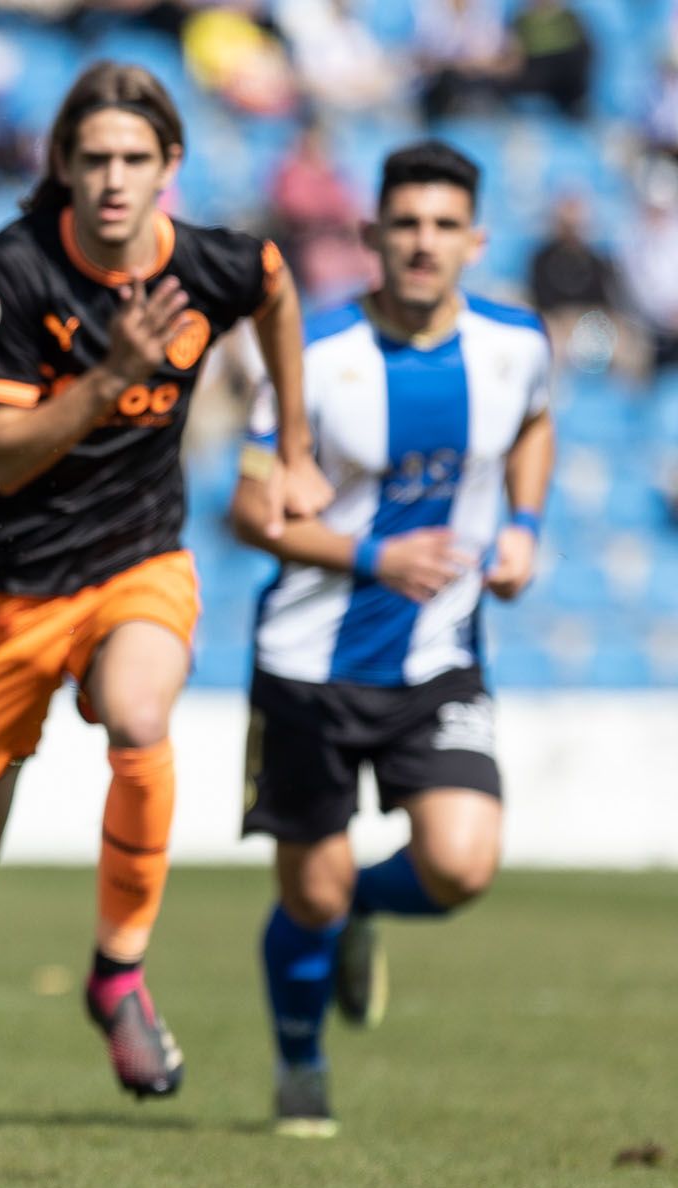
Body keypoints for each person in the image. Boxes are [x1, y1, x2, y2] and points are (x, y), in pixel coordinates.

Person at [0, 62, 328, 1170]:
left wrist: (291, 445)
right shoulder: (13, 272)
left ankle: (118, 969)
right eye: (94, 158)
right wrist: (113, 372)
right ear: (64, 164)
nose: (114, 179)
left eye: (135, 160)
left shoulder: (211, 261)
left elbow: (276, 289)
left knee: (140, 713)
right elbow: (3, 457)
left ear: (170, 168)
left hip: (138, 564)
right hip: (7, 595)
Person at [229, 140, 553, 1137]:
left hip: (438, 653)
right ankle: (300, 1062)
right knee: (311, 891)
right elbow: (248, 511)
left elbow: (534, 424)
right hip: (307, 663)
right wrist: (372, 557)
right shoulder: (314, 358)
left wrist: (525, 530)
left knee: (461, 866)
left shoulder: (518, 345)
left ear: (475, 238)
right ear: (371, 235)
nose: (423, 243)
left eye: (443, 225)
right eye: (405, 224)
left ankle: (363, 910)